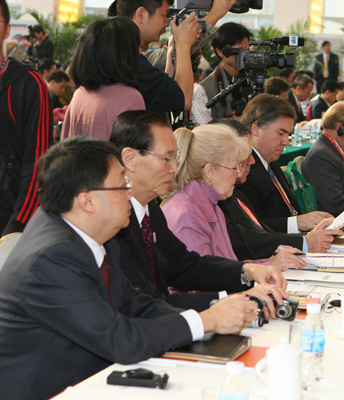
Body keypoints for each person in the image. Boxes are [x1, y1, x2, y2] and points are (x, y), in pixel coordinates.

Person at [0, 136, 260, 400]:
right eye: (122, 185)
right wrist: (205, 321)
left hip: (93, 380)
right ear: (87, 201)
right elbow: (120, 340)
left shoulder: (92, 231)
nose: (130, 192)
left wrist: (211, 315)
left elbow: (135, 303)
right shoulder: (52, 257)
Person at [110, 110, 287, 315]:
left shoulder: (150, 210)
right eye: (166, 159)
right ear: (130, 158)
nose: (174, 168)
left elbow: (186, 266)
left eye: (175, 158)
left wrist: (247, 271)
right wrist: (230, 301)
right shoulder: (113, 223)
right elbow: (146, 302)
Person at [162, 123, 307, 271]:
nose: (237, 174)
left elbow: (228, 264)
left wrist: (269, 264)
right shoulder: (186, 216)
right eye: (234, 168)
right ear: (210, 172)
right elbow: (205, 278)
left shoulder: (210, 204)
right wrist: (268, 266)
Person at [216, 119, 342, 260]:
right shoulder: (224, 193)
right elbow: (243, 243)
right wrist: (305, 241)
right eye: (244, 153)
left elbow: (261, 232)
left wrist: (307, 238)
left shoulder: (235, 189)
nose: (252, 160)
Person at [237, 94, 336, 233]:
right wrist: (297, 223)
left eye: (288, 134)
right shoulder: (244, 171)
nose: (287, 142)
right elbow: (253, 229)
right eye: (281, 133)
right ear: (256, 128)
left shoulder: (270, 162)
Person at [0, 0, 53, 235]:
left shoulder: (29, 84)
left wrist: (17, 227)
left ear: (7, 30)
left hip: (9, 221)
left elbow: (38, 162)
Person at [61, 18, 145, 141]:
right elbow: (134, 150)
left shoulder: (80, 94)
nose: (139, 53)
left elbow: (64, 144)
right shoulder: (130, 97)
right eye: (136, 47)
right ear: (124, 54)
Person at [117, 0, 200, 114]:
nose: (167, 23)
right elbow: (184, 99)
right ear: (141, 15)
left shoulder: (120, 54)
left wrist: (171, 53)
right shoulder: (131, 62)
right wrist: (183, 45)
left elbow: (161, 93)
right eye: (164, 15)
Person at [201, 22, 253, 119]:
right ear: (220, 52)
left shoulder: (252, 79)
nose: (244, 54)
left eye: (246, 49)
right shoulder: (206, 88)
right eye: (239, 50)